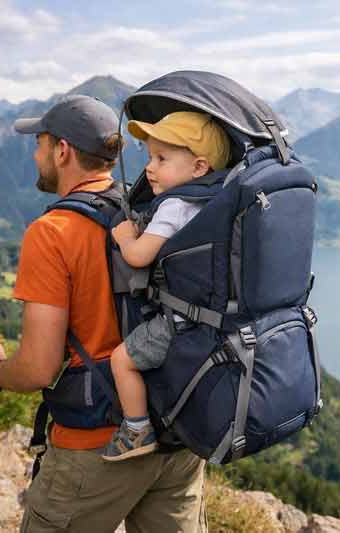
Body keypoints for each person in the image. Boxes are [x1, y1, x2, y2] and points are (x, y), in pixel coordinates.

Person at [0, 95, 207, 532]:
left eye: (39, 144)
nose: (36, 155)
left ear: (62, 150)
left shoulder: (53, 232)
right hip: (178, 434)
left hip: (97, 448)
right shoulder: (154, 209)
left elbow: (39, 369)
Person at [104, 111, 230, 462]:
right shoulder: (217, 199)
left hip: (179, 323)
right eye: (149, 158)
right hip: (211, 318)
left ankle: (136, 429)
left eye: (162, 159)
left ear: (199, 167)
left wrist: (126, 237)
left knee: (122, 360)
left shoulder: (175, 205)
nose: (149, 168)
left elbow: (140, 257)